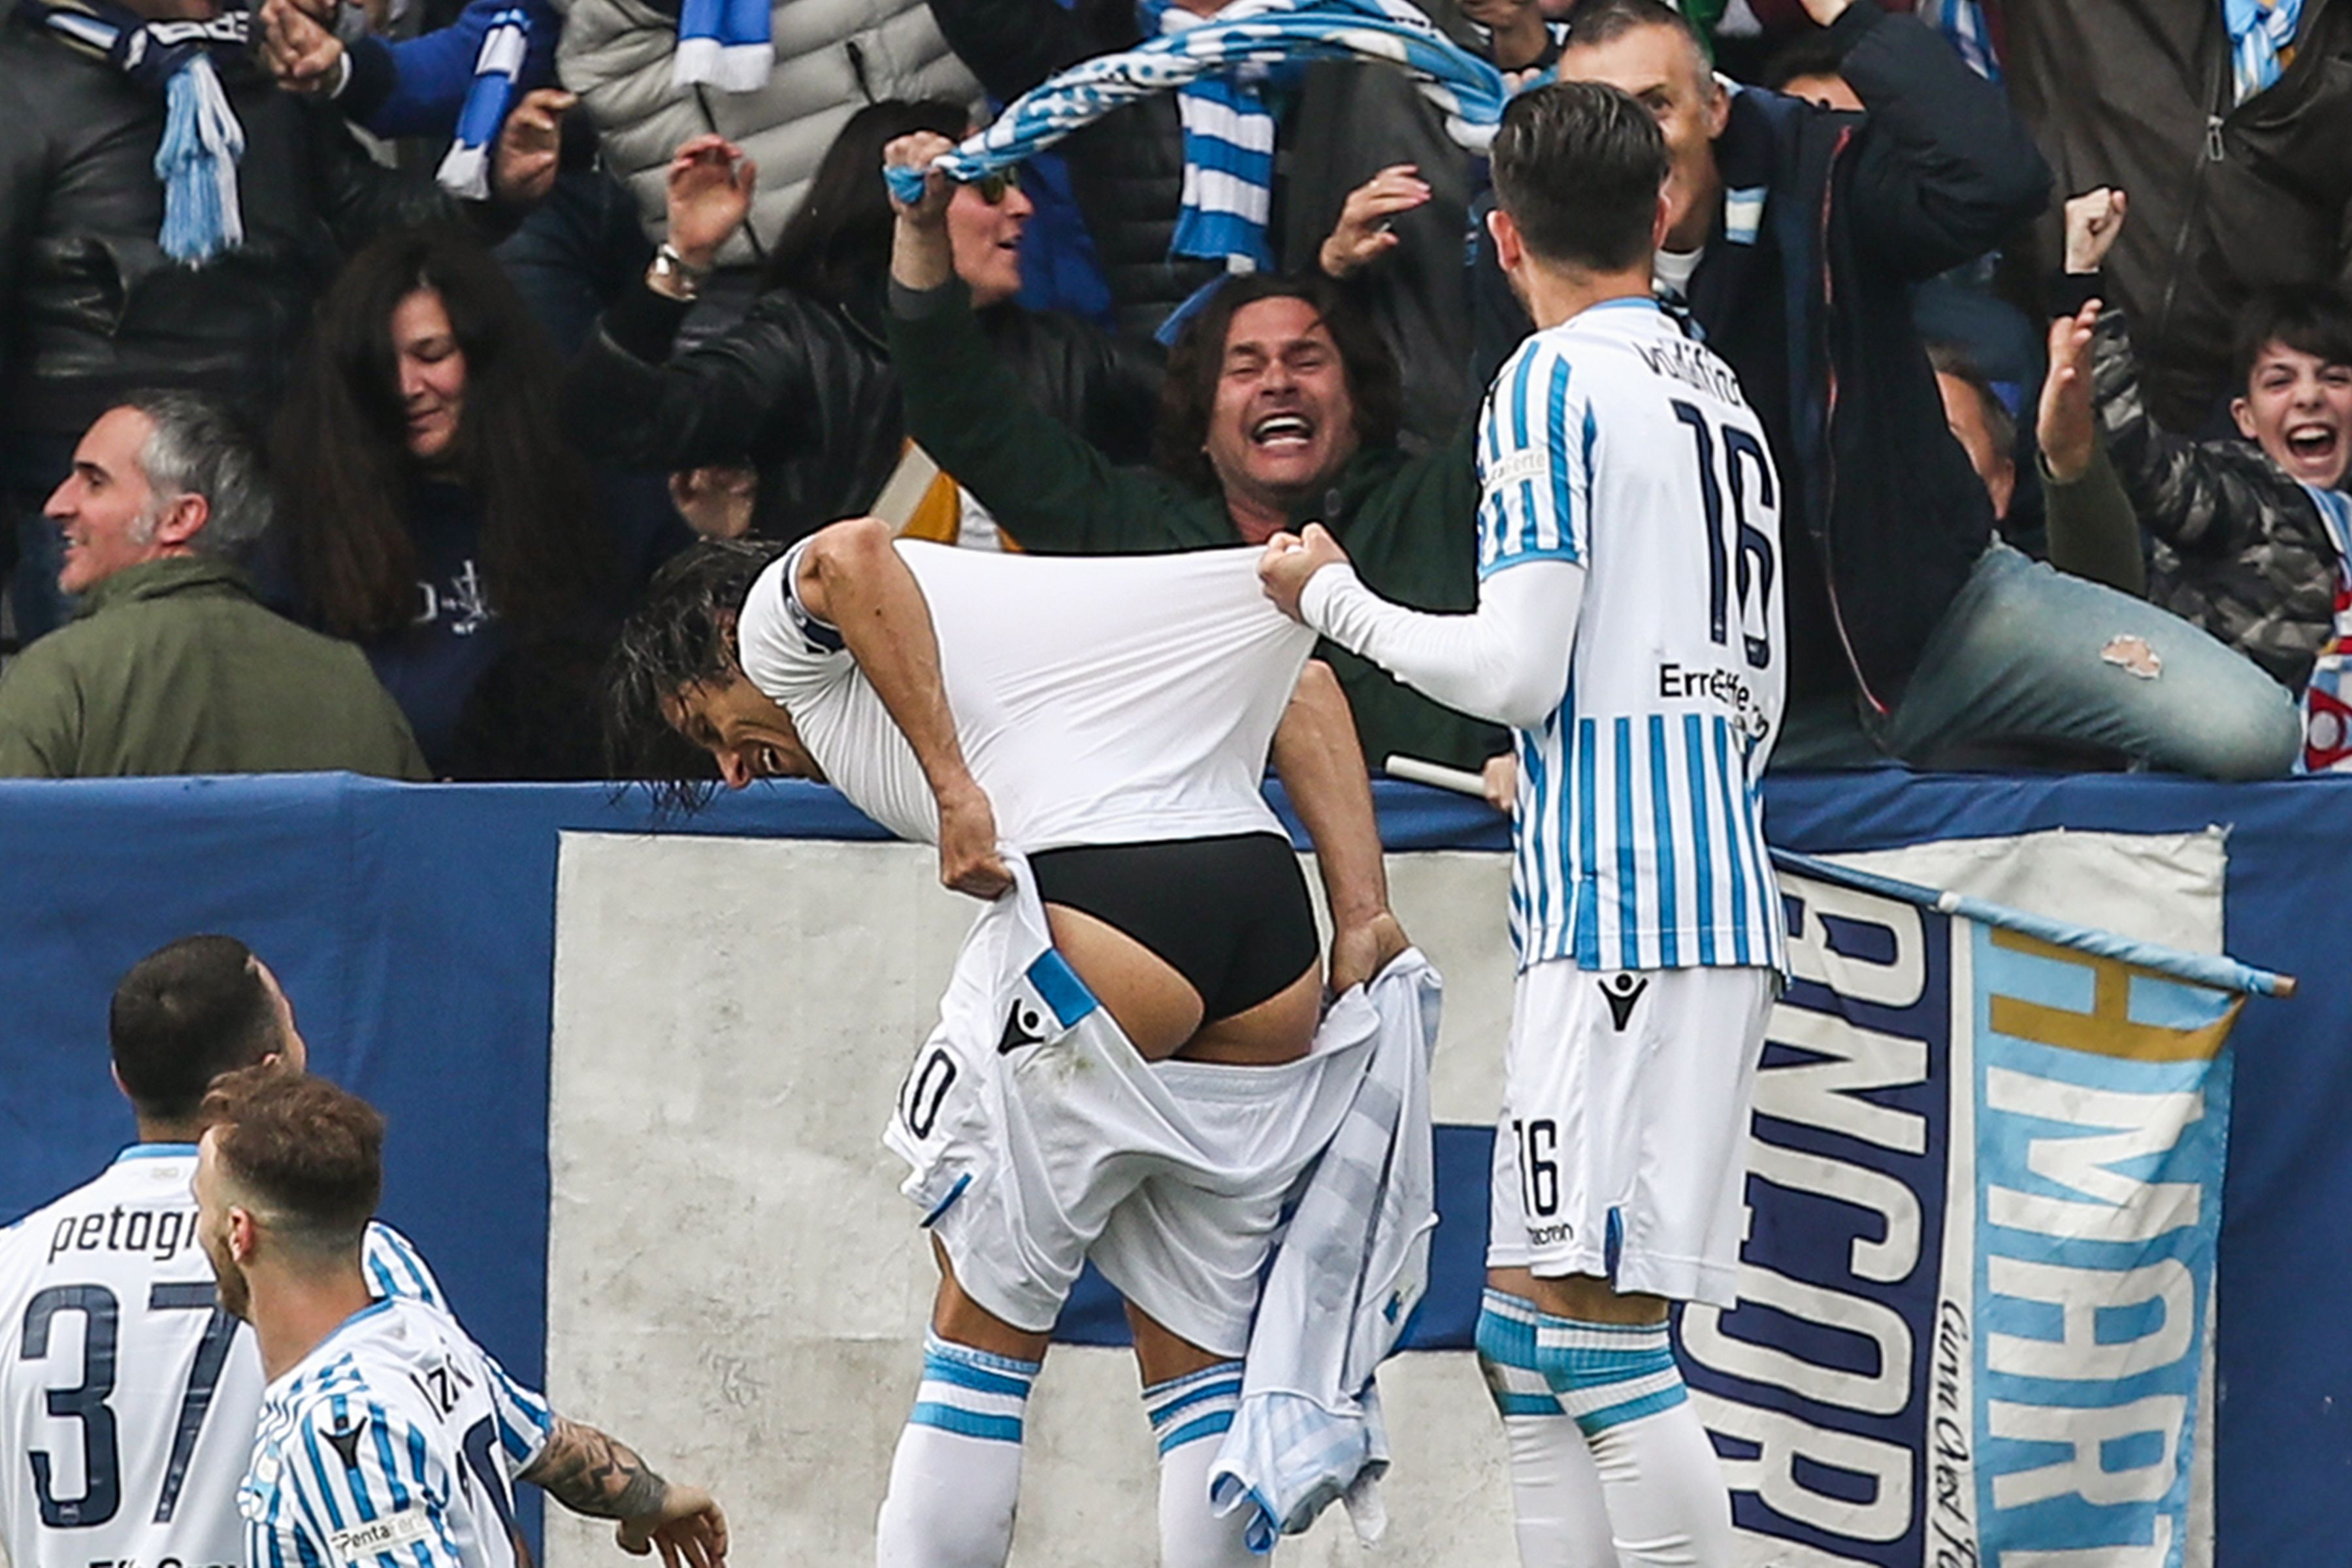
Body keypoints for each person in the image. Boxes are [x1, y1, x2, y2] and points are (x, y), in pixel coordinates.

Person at [606, 522, 1418, 1566]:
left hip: (1109, 914)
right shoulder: (1034, 632)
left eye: (706, 724)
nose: (730, 770)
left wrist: (955, 790)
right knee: (1200, 1358)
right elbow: (1300, 689)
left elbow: (848, 556)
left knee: (981, 1337)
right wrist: (1362, 912)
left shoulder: (772, 628)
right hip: (1269, 939)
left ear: (723, 636)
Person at [1260, 81, 1774, 1565]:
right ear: (1663, 214)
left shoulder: (1550, 384)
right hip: (1663, 881)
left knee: (1602, 1345)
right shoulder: (1713, 388)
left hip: (1632, 908)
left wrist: (1328, 596)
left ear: (1498, 238)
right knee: (1517, 1337)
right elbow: (1740, 668)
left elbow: (1513, 665)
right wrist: (1553, 761)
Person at [1548, 0, 2300, 779]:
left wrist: (1852, 17)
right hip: (1722, 696)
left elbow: (1998, 181)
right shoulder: (1540, 243)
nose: (1630, 142)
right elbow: (1525, 503)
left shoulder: (1816, 169)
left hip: (1947, 627)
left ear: (1715, 108)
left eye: (1655, 106)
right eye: (1600, 115)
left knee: (2249, 733)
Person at [881, 130, 1507, 776]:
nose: (1277, 381)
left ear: (1359, 399)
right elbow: (959, 411)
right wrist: (923, 230)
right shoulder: (1133, 531)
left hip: (1441, 860)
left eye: (1307, 359)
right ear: (1201, 419)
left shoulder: (1444, 503)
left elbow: (1524, 363)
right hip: (1196, 864)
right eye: (1244, 367)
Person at [0, 0, 546, 644]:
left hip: (277, 481)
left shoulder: (260, 67)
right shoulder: (21, 87)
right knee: (105, 724)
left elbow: (368, 215)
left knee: (277, 727)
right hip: (95, 497)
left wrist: (491, 191)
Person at [0, 936, 452, 1568]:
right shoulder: (353, 1256)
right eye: (294, 1029)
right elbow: (461, 1486)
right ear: (271, 1073)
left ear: (121, 1080)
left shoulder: (12, 1264)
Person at [193, 1068, 728, 1568]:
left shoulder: (339, 1425)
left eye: (202, 1206)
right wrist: (653, 1498)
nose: (198, 1228)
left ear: (240, 1232)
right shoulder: (420, 1332)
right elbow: (549, 1444)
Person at [564, 103, 1160, 548]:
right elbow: (613, 425)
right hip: (860, 691)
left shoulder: (1065, 353)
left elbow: (1202, 413)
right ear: (895, 206)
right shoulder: (804, 344)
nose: (1021, 207)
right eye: (989, 184)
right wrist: (684, 259)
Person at [272, 226, 680, 779]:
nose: (407, 386)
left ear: (485, 354)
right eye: (380, 365)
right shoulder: (311, 526)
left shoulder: (597, 494)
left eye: (431, 354)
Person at [2048, 188, 2352, 766]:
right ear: (2246, 418)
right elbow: (2138, 455)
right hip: (2214, 805)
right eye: (2280, 381)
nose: (2310, 397)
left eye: (2334, 377)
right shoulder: (2241, 498)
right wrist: (2082, 281)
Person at [0, 393, 426, 779]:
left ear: (180, 518)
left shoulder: (59, 677)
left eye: (95, 482)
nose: (56, 506)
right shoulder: (352, 684)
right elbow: (417, 853)